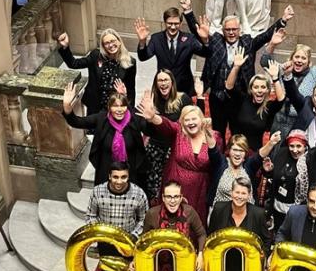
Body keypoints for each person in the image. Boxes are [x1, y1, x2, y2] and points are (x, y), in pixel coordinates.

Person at [179, 0, 294, 136]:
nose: (231, 32)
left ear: (239, 30)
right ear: (223, 30)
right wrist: (188, 11)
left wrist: (282, 21)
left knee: (237, 131)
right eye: (228, 30)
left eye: (234, 29)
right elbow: (198, 31)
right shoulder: (216, 41)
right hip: (217, 95)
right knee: (217, 132)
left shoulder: (247, 43)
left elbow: (265, 35)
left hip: (240, 96)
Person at [137, 91, 222, 225]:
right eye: (186, 120)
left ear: (201, 120)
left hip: (200, 191)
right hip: (175, 187)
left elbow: (218, 162)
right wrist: (153, 117)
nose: (190, 122)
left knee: (194, 225)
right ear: (182, 123)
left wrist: (210, 141)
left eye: (194, 119)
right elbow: (166, 125)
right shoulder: (178, 132)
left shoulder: (214, 136)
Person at [265, 115, 316, 232]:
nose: (295, 150)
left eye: (299, 146)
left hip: (300, 210)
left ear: (305, 146)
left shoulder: (311, 157)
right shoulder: (282, 154)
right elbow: (276, 177)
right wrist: (269, 171)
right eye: (291, 146)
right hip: (278, 208)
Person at [260, 29, 316, 140]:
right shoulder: (284, 69)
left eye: (303, 58)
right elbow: (264, 62)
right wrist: (272, 44)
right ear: (291, 58)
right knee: (276, 152)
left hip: (301, 121)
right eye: (296, 57)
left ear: (308, 61)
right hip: (279, 119)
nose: (299, 60)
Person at [85, 161, 148, 271]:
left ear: (128, 177)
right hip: (106, 242)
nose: (119, 181)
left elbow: (144, 220)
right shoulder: (97, 192)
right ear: (109, 176)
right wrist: (101, 233)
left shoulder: (138, 194)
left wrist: (134, 236)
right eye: (115, 177)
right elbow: (90, 216)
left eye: (123, 177)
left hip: (129, 242)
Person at [62, 82, 149, 187]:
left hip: (130, 176)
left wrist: (152, 118)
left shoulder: (134, 119)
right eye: (115, 106)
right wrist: (67, 108)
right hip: (106, 175)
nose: (119, 110)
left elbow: (150, 130)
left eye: (122, 106)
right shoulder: (101, 119)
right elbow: (77, 122)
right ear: (109, 107)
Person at [208, 177, 271, 271]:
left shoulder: (258, 214)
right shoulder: (219, 208)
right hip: (223, 269)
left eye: (243, 193)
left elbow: (266, 240)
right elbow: (211, 235)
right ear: (231, 193)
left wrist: (262, 256)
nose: (239, 196)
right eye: (237, 192)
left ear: (249, 195)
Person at [142, 181, 206, 271]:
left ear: (181, 197)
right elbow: (144, 241)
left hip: (183, 263)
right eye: (169, 197)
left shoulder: (189, 212)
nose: (172, 201)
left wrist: (200, 255)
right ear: (163, 198)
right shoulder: (152, 214)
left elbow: (201, 234)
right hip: (159, 263)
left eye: (176, 197)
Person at [143, 69, 201, 200]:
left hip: (176, 148)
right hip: (155, 149)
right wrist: (148, 118)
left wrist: (200, 96)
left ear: (172, 82)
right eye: (160, 80)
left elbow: (196, 117)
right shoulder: (153, 101)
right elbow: (147, 131)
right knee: (154, 186)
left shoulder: (183, 99)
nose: (163, 83)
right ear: (156, 84)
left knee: (173, 185)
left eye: (166, 80)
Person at [58, 29, 136, 115]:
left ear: (119, 42)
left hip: (115, 107)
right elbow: (74, 64)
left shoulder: (130, 62)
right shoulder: (96, 56)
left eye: (113, 41)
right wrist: (65, 47)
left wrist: (130, 112)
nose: (110, 45)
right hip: (95, 106)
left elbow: (131, 88)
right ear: (103, 46)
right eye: (106, 43)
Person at [134, 8, 208, 96]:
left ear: (180, 24)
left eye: (176, 23)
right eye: (170, 23)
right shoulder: (156, 38)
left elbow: (205, 53)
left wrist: (205, 40)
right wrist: (142, 42)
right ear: (165, 22)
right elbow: (143, 57)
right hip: (163, 88)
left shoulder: (189, 39)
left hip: (185, 88)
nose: (173, 27)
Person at [224, 45, 284, 150]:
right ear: (251, 90)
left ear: (267, 90)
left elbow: (281, 99)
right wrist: (236, 67)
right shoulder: (242, 100)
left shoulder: (268, 107)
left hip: (254, 152)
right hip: (236, 148)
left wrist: (275, 78)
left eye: (263, 87)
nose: (259, 90)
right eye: (256, 87)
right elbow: (229, 87)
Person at [207, 132, 280, 206]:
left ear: (245, 153)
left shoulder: (248, 165)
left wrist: (271, 143)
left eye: (241, 150)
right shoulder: (221, 162)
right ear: (229, 150)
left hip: (246, 213)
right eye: (235, 150)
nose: (238, 154)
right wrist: (206, 130)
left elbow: (259, 155)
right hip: (220, 213)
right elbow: (213, 149)